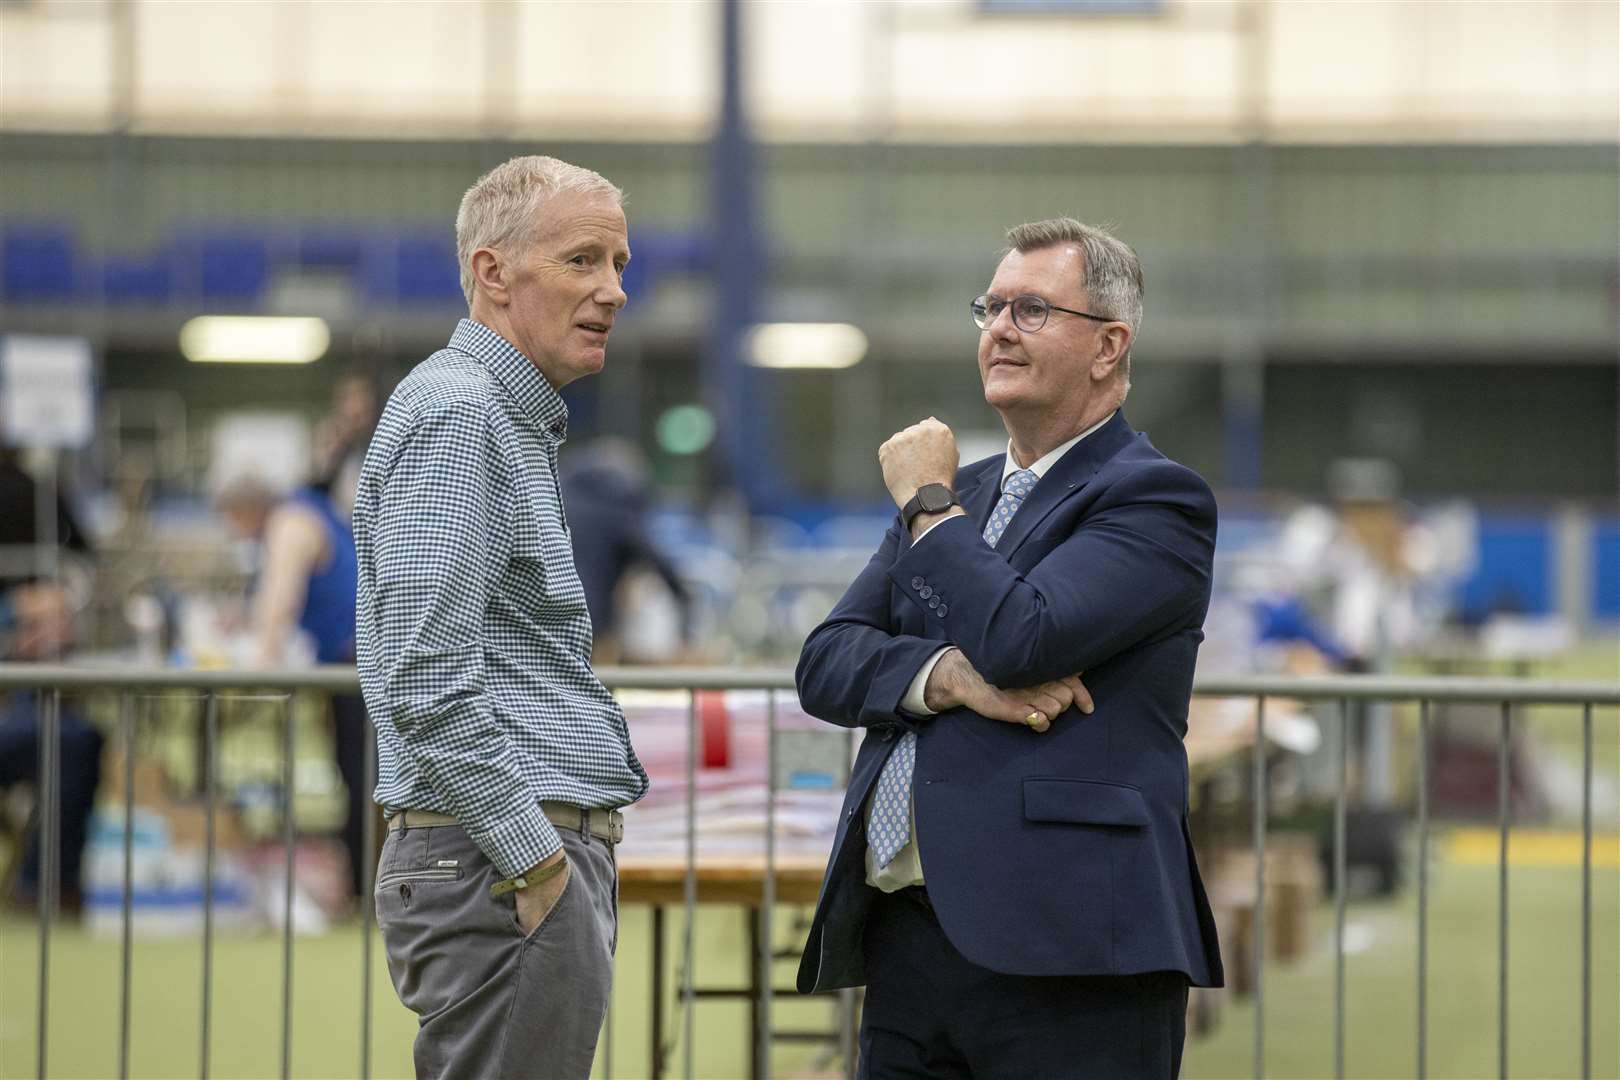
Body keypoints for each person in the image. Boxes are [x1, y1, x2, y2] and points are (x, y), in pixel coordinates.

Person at [794, 218, 1223, 1077]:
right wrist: (943, 675)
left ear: (1108, 346)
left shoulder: (1153, 499)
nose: (997, 328)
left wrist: (925, 504)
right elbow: (828, 659)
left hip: (1071, 950)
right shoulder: (966, 494)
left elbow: (1025, 637)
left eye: (1030, 310)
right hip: (910, 940)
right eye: (990, 307)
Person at [353, 155, 648, 1080]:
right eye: (582, 261)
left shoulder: (493, 416)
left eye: (620, 264)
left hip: (496, 861)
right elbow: (424, 675)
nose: (612, 290)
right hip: (498, 863)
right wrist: (536, 864)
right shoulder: (461, 415)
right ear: (492, 274)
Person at [216, 474, 368, 901]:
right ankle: (360, 886)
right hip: (351, 664)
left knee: (361, 779)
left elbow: (280, 595)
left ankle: (362, 892)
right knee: (356, 776)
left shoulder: (290, 522)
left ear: (245, 510)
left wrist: (260, 661)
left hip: (356, 665)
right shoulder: (304, 510)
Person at [0, 580, 103, 915]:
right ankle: (44, 884)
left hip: (42, 722)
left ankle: (48, 883)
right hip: (19, 719)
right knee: (70, 740)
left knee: (77, 740)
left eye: (60, 621)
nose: (53, 632)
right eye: (38, 624)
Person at [560, 439, 694, 664]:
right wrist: (686, 612)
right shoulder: (617, 509)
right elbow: (659, 564)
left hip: (541, 618)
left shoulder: (556, 497)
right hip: (587, 620)